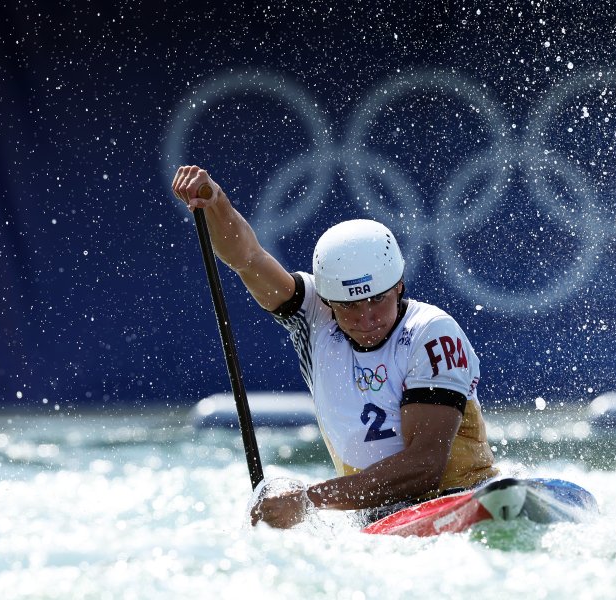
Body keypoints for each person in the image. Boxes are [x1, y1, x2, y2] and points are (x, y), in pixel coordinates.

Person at [172, 165, 498, 528]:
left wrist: (309, 500)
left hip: (461, 497)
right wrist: (215, 202)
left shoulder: (432, 333)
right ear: (328, 302)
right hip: (374, 520)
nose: (367, 317)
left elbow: (425, 467)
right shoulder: (313, 317)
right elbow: (247, 259)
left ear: (399, 287)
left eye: (377, 300)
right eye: (349, 307)